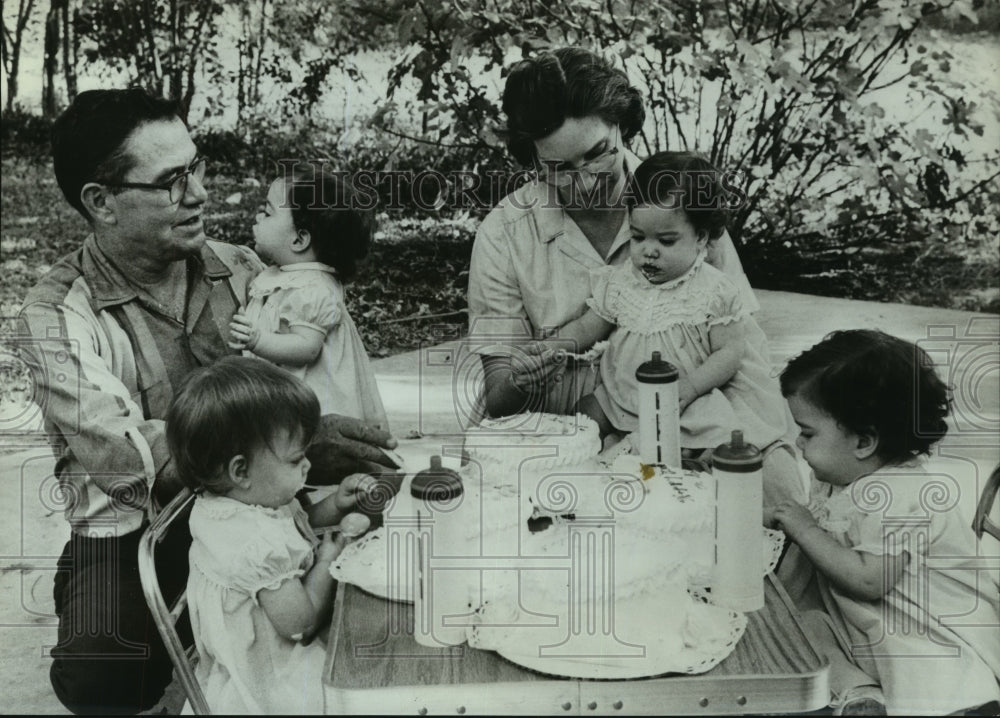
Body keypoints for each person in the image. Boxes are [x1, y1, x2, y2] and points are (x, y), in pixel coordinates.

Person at [17, 88, 397, 715]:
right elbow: (130, 462)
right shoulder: (52, 318)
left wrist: (317, 453)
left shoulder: (242, 267)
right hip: (141, 529)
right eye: (171, 180)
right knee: (104, 679)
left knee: (377, 551)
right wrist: (289, 435)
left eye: (196, 166)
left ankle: (230, 621)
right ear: (101, 202)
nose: (199, 193)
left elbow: (316, 373)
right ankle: (106, 591)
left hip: (264, 499)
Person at [466, 48, 804, 505]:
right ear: (531, 159)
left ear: (622, 127)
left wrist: (727, 436)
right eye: (558, 169)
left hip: (697, 408)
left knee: (762, 503)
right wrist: (529, 371)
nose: (584, 183)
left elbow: (741, 352)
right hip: (570, 429)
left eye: (597, 154)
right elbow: (501, 399)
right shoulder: (503, 235)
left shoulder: (683, 206)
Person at [770, 329, 1000, 715]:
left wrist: (805, 529)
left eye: (807, 432)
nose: (798, 444)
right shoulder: (844, 475)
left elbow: (869, 581)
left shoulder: (903, 496)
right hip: (867, 625)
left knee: (924, 673)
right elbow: (829, 525)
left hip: (928, 638)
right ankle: (862, 694)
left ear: (864, 442)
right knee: (802, 628)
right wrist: (783, 520)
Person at [537, 152, 792, 495]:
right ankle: (576, 471)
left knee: (701, 434)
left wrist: (690, 387)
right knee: (584, 414)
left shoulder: (714, 290)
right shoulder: (621, 281)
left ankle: (682, 473)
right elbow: (588, 326)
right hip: (622, 391)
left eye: (666, 241)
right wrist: (554, 347)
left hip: (683, 393)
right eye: (638, 237)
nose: (648, 251)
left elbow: (730, 351)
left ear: (701, 238)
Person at [166, 356, 371, 714]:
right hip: (271, 678)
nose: (307, 465)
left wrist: (336, 506)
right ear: (241, 470)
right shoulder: (254, 544)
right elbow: (301, 625)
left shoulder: (239, 500)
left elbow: (296, 526)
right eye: (295, 460)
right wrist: (328, 559)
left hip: (259, 645)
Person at [228, 166, 388, 428]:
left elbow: (306, 347)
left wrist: (258, 339)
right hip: (288, 389)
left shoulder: (311, 288)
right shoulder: (285, 276)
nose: (258, 217)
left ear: (300, 239)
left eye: (267, 213)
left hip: (315, 399)